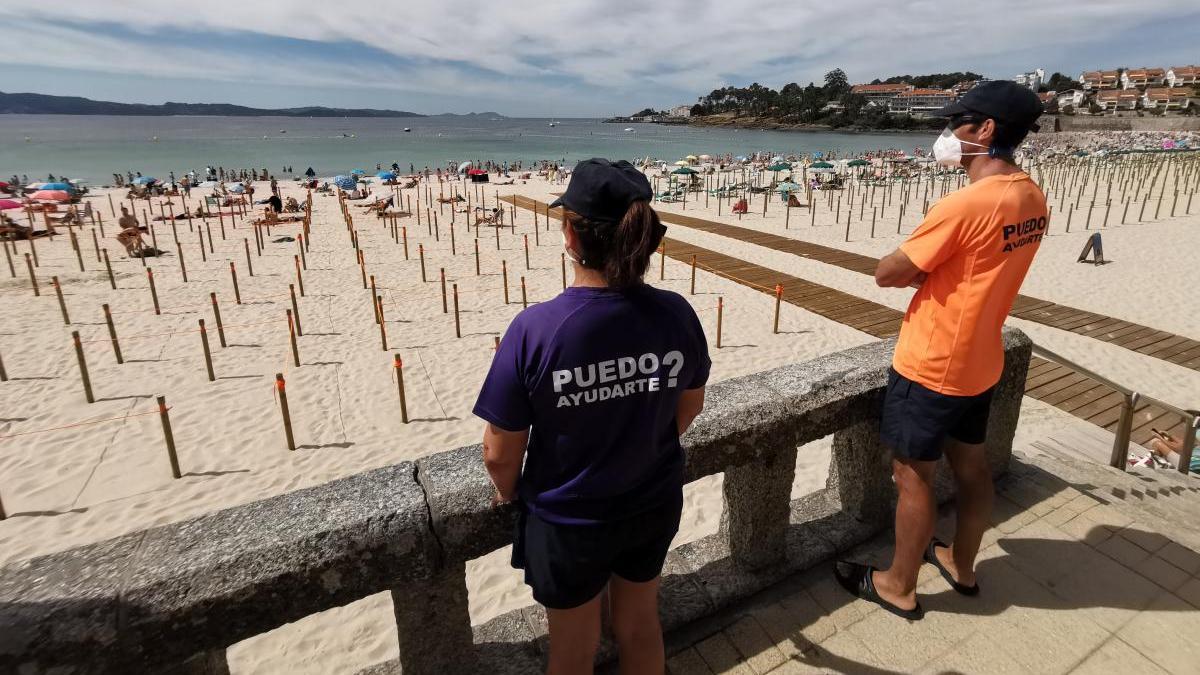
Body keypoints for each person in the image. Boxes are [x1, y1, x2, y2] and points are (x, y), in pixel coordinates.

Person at [474, 158, 709, 674]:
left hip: (569, 519)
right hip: (652, 498)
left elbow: (499, 450)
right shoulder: (677, 313)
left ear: (572, 238)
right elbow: (689, 402)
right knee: (642, 624)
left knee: (574, 650)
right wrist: (642, 441)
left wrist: (509, 489)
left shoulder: (538, 328)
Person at [834, 81, 1048, 619]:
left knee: (913, 477)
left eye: (959, 122)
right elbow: (977, 265)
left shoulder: (965, 203)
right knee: (972, 468)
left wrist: (916, 272)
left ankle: (898, 585)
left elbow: (889, 273)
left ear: (986, 130)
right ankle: (961, 563)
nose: (949, 133)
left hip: (933, 360)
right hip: (981, 359)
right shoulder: (1032, 196)